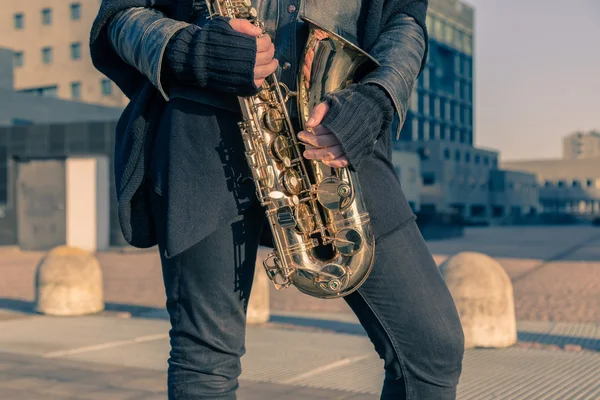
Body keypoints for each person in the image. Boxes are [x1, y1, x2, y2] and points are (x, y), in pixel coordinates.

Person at [90, 0, 465, 398]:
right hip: (203, 127)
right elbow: (120, 18)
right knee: (206, 361)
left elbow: (404, 20)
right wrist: (192, 50)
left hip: (337, 127)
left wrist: (379, 96)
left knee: (433, 347)